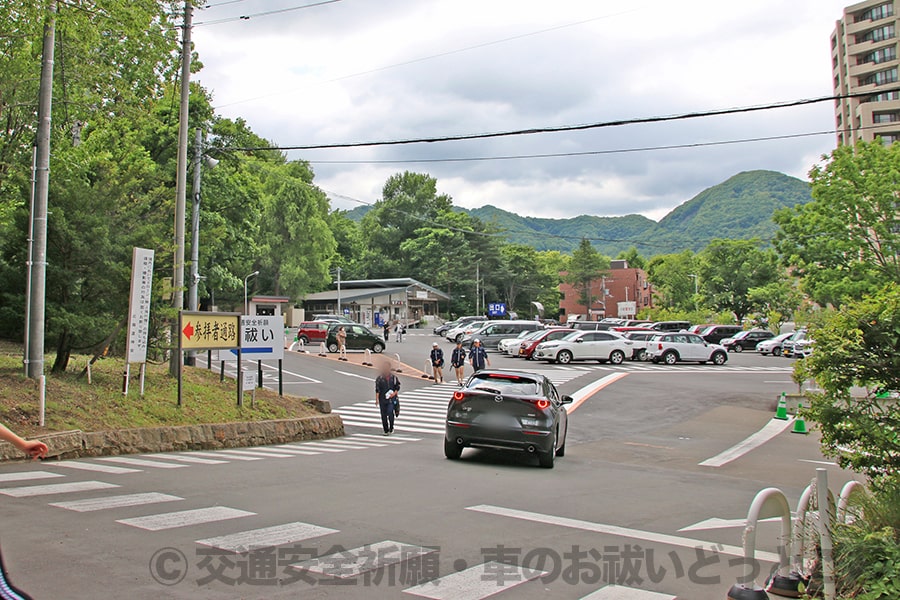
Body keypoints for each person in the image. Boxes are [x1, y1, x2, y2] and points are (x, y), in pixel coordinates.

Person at [374, 360, 401, 435]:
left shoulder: (394, 378)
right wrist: (377, 399)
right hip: (382, 399)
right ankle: (386, 430)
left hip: (391, 399)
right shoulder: (379, 378)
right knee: (383, 415)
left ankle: (391, 427)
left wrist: (394, 394)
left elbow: (397, 387)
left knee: (390, 412)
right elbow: (377, 389)